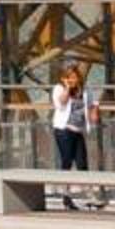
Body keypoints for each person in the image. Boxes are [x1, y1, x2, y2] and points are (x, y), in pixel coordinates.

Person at [47, 64, 88, 202]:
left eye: (74, 77)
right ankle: (66, 196)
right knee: (67, 161)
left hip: (78, 130)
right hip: (63, 130)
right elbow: (61, 105)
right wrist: (67, 87)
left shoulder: (82, 91)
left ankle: (89, 196)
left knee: (82, 163)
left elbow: (90, 105)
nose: (72, 80)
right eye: (69, 77)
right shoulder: (59, 89)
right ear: (63, 78)